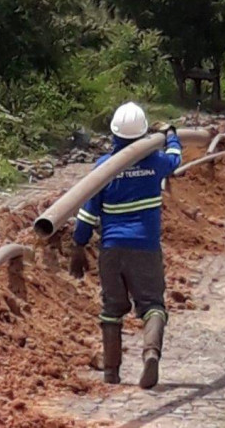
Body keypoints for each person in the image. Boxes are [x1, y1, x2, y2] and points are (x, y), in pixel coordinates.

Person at [69, 102, 182, 389]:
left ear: (113, 133)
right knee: (153, 305)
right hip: (145, 247)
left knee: (111, 309)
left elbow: (87, 212)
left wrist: (78, 246)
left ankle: (111, 374)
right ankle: (151, 354)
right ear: (143, 133)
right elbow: (176, 158)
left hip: (111, 249)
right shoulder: (156, 162)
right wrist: (171, 134)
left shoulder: (103, 168)